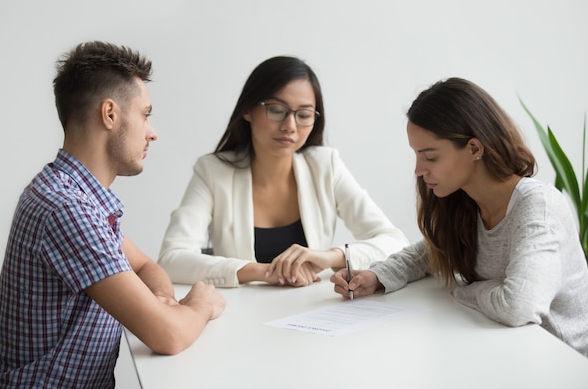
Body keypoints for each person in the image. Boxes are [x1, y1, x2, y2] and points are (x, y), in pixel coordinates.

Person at [331, 77, 588, 376]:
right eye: (416, 154)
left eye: (430, 156)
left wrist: (466, 290)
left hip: (583, 373)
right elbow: (429, 252)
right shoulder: (466, 204)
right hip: (524, 367)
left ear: (473, 148)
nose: (418, 169)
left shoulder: (538, 206)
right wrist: (377, 276)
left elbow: (519, 306)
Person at [0, 41, 226, 389]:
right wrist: (201, 304)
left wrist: (163, 300)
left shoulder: (76, 196)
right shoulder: (67, 209)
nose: (152, 132)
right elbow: (170, 336)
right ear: (110, 114)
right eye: (145, 114)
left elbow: (146, 265)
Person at [158, 56, 408, 288]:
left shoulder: (325, 165)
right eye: (277, 110)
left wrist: (329, 257)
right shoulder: (213, 171)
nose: (290, 126)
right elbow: (172, 259)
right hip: (239, 317)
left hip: (309, 315)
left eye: (304, 115)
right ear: (248, 110)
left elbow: (395, 241)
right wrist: (266, 272)